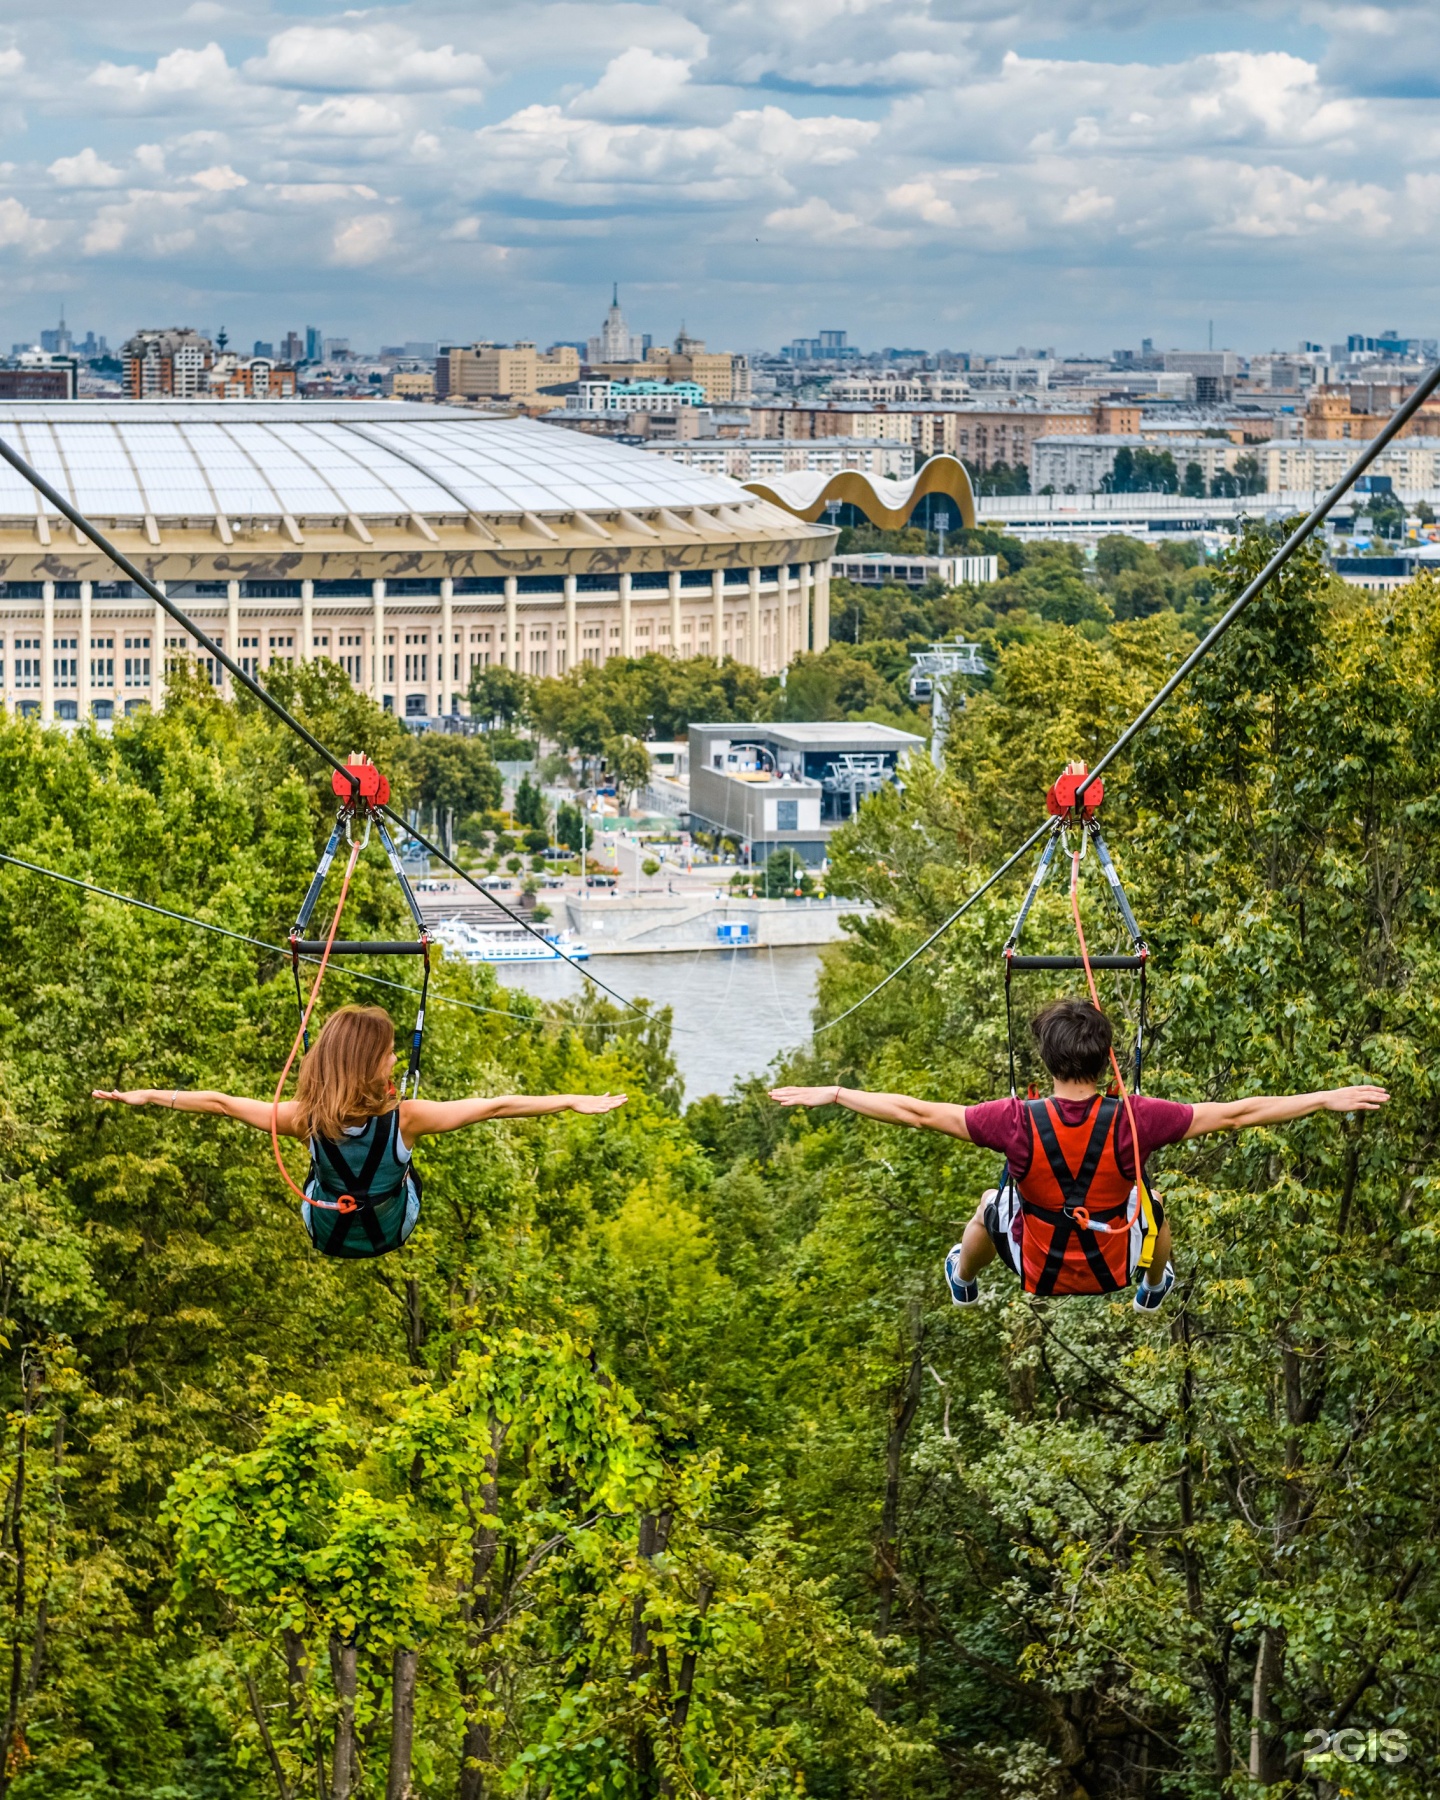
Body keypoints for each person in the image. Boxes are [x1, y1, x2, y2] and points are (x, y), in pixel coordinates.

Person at [770, 997, 1388, 1311]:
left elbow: (918, 1112)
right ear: (1102, 1059)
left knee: (992, 1203)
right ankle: (1153, 1285)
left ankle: (963, 1276)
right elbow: (1239, 1112)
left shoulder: (1015, 1121)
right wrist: (1324, 1097)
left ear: (1047, 1062)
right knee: (1154, 1203)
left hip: (1038, 1268)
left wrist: (839, 1093)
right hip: (1112, 1264)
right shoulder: (1135, 1120)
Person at [94, 1003, 627, 1258]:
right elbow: (494, 1106)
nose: (395, 1059)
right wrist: (570, 1102)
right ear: (369, 1064)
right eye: (389, 1054)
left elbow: (221, 1104)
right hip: (392, 1229)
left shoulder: (304, 1116)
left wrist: (148, 1095)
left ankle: (340, 1192)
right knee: (406, 1179)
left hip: (325, 1231)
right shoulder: (408, 1119)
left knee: (322, 1179)